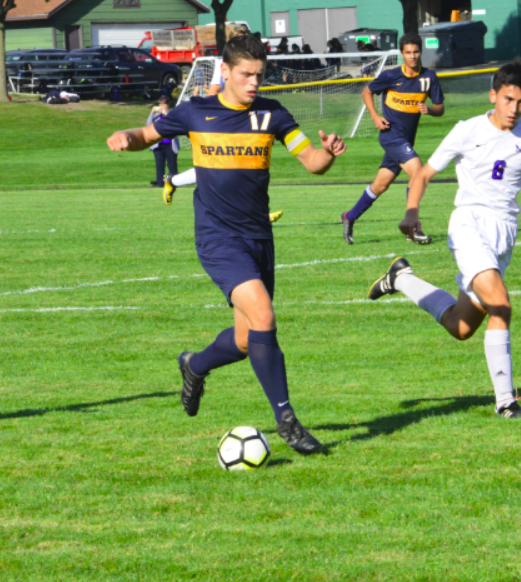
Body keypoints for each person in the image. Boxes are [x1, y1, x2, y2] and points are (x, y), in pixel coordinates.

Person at [106, 35, 347, 453]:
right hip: (218, 238)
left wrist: (329, 154)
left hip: (259, 237)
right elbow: (147, 134)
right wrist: (126, 136)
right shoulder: (196, 111)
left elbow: (312, 162)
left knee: (243, 339)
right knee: (264, 314)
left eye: (259, 75)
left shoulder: (272, 115)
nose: (254, 83)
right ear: (226, 71)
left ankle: (194, 364)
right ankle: (287, 419)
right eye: (246, 75)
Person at [367, 60, 521, 418]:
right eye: (508, 99)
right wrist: (412, 212)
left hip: (504, 235)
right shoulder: (466, 130)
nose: (514, 109)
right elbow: (423, 173)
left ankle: (401, 279)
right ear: (493, 95)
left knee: (461, 326)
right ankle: (506, 403)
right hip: (469, 225)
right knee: (501, 305)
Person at [340, 33, 444, 245]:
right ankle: (412, 227)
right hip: (390, 136)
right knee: (417, 170)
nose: (412, 56)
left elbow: (440, 108)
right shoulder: (391, 76)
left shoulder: (429, 77)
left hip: (406, 140)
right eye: (408, 52)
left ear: (420, 52)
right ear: (402, 54)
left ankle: (349, 217)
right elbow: (367, 92)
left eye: (416, 52)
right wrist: (376, 117)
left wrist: (430, 110)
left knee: (380, 185)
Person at [163, 25, 251, 204]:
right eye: (238, 40)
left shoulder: (249, 64)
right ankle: (256, 212)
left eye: (245, 40)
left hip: (242, 119)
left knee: (235, 165)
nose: (243, 44)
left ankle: (172, 181)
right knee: (224, 166)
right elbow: (213, 92)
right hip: (226, 121)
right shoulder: (224, 64)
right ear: (231, 43)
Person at [147, 96, 179, 187]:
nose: (161, 106)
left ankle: (175, 184)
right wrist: (152, 114)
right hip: (158, 144)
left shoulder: (172, 114)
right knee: (159, 166)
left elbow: (174, 124)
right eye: (159, 104)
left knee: (172, 165)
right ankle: (160, 185)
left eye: (163, 104)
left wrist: (166, 114)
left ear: (167, 105)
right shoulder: (156, 116)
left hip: (170, 143)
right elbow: (148, 125)